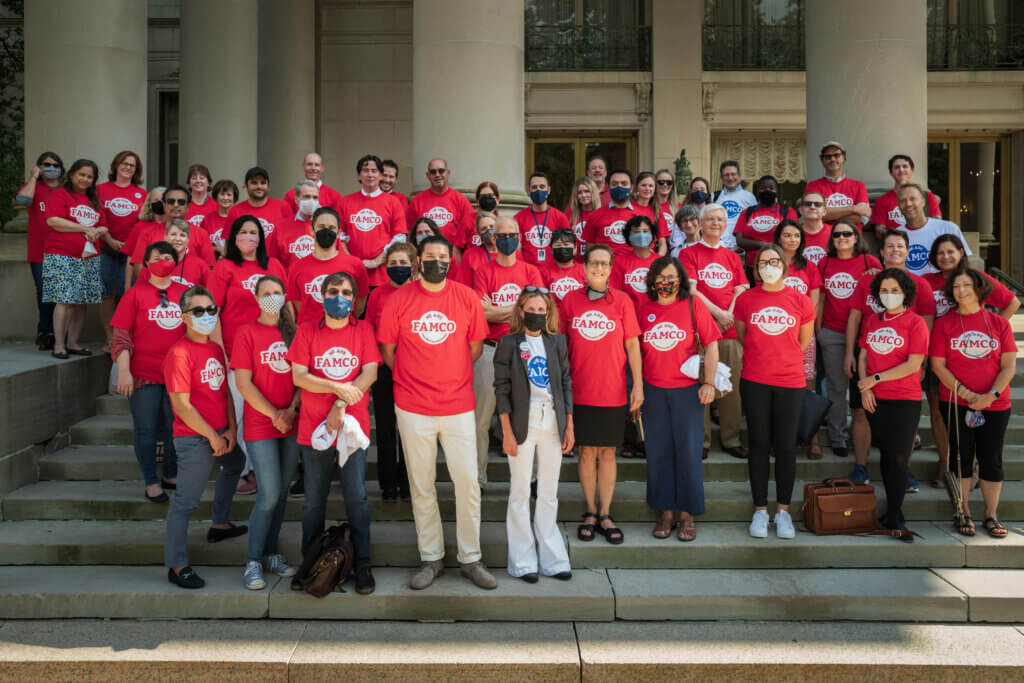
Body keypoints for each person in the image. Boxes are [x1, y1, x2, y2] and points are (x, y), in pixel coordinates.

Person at [378, 234, 495, 590]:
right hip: (412, 405)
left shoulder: (466, 298)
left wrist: (447, 373)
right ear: (418, 261)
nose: (437, 261)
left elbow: (475, 349)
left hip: (458, 404)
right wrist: (416, 377)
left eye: (443, 256)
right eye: (430, 256)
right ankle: (431, 557)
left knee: (467, 483)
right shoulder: (399, 299)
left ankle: (470, 558)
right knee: (421, 485)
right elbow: (388, 350)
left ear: (450, 261)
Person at [288, 271, 379, 594]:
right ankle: (310, 563)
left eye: (344, 291)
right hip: (315, 430)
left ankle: (363, 565)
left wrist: (339, 403)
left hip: (352, 432)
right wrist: (337, 386)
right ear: (321, 295)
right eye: (331, 291)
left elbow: (370, 371)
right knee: (313, 502)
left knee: (357, 498)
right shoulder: (307, 331)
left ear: (353, 299)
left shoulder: (364, 329)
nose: (338, 296)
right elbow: (300, 376)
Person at [163, 285, 247, 589]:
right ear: (184, 316)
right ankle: (176, 564)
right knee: (185, 501)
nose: (206, 316)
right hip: (194, 438)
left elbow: (224, 391)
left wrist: (232, 430)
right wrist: (212, 436)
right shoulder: (179, 353)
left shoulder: (214, 348)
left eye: (211, 310)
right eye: (198, 311)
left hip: (220, 433)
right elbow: (182, 406)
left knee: (236, 464)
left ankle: (220, 524)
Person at [560, 244, 642, 545]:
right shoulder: (570, 301)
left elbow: (633, 345)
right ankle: (591, 512)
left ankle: (606, 513)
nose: (598, 268)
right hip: (579, 390)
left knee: (607, 453)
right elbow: (560, 345)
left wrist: (639, 387)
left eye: (604, 264)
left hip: (613, 390)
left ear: (611, 268)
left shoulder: (621, 301)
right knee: (585, 452)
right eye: (593, 263)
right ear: (584, 267)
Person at [923, 235, 1019, 487]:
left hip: (973, 356)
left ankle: (973, 466)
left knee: (976, 410)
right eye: (940, 252)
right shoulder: (927, 282)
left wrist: (994, 332)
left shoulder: (978, 279)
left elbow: (1012, 302)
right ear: (934, 257)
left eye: (951, 252)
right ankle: (946, 464)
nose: (946, 257)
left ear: (961, 253)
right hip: (940, 357)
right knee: (939, 413)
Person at [734, 244, 816, 539]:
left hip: (790, 383)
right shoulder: (746, 299)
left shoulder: (801, 300)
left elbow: (803, 342)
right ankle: (759, 510)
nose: (769, 265)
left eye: (774, 261)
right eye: (763, 262)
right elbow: (744, 337)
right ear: (756, 268)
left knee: (785, 448)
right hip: (755, 380)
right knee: (758, 444)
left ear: (784, 265)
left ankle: (783, 511)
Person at [844, 229, 936, 486]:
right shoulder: (867, 282)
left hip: (904, 365)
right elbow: (854, 318)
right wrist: (849, 353)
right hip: (868, 360)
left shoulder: (921, 285)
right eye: (890, 246)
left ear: (907, 252)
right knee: (861, 413)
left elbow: (927, 325)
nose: (895, 250)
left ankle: (903, 470)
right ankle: (861, 466)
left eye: (900, 246)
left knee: (906, 421)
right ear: (881, 252)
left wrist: (923, 363)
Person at [494, 289, 573, 583]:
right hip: (521, 421)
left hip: (553, 419)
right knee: (520, 491)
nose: (537, 313)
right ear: (521, 310)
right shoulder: (508, 343)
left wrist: (570, 424)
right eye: (532, 307)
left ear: (548, 312)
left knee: (549, 491)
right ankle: (523, 561)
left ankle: (553, 559)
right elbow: (501, 389)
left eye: (542, 308)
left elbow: (565, 382)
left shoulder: (557, 342)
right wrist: (506, 432)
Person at [930, 269, 1017, 539]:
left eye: (967, 285)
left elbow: (1009, 366)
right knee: (961, 457)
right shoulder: (944, 323)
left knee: (991, 458)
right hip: (956, 401)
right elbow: (938, 365)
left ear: (979, 289)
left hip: (996, 403)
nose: (961, 290)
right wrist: (967, 395)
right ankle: (963, 510)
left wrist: (989, 395)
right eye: (956, 286)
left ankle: (991, 514)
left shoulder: (998, 323)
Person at [638, 256, 719, 540]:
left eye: (671, 277)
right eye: (660, 278)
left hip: (687, 391)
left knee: (687, 451)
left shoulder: (693, 305)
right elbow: (634, 349)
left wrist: (709, 382)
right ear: (652, 280)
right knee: (658, 452)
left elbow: (711, 346)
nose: (666, 283)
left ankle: (687, 514)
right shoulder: (643, 307)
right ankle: (665, 512)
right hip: (653, 390)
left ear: (681, 280)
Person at [231, 275, 301, 589]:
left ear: (285, 296)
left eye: (276, 292)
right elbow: (244, 383)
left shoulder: (293, 332)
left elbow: (303, 378)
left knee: (282, 491)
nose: (272, 297)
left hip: (291, 423)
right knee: (269, 493)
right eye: (266, 293)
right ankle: (253, 561)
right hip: (262, 424)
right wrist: (274, 414)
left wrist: (291, 410)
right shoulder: (246, 332)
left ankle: (271, 552)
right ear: (257, 298)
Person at [209, 214, 288, 475]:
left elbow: (285, 307)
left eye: (253, 232)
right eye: (243, 232)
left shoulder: (274, 265)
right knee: (240, 414)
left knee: (265, 410)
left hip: (271, 353)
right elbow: (213, 313)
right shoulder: (224, 267)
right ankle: (241, 471)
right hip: (235, 353)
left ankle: (261, 469)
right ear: (233, 236)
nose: (248, 237)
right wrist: (220, 352)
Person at [856, 268, 929, 540]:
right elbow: (862, 355)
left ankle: (896, 514)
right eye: (884, 291)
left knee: (899, 458)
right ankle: (891, 513)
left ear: (906, 293)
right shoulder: (873, 320)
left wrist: (875, 379)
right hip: (875, 399)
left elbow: (913, 364)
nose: (889, 295)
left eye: (895, 290)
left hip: (903, 400)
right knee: (887, 455)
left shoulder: (915, 323)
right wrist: (865, 388)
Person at [112, 241, 187, 501]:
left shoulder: (186, 293)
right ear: (146, 263)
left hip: (178, 375)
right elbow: (121, 337)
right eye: (157, 256)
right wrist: (124, 371)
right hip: (144, 374)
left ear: (176, 261)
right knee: (145, 429)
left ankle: (170, 472)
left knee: (175, 427)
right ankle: (151, 482)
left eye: (168, 256)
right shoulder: (134, 294)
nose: (163, 260)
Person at [473, 216, 544, 487]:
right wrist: (518, 309)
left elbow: (536, 312)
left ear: (520, 238)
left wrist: (499, 311)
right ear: (493, 239)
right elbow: (481, 312)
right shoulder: (483, 271)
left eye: (511, 234)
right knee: (481, 419)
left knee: (526, 417)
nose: (506, 240)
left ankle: (530, 479)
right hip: (490, 351)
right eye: (500, 235)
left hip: (524, 351)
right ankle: (479, 477)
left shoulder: (530, 271)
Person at [680, 204, 748, 459]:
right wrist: (718, 315)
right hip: (700, 330)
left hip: (729, 331)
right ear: (700, 223)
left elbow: (741, 289)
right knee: (701, 385)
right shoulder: (689, 254)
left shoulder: (731, 256)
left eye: (720, 219)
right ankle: (702, 439)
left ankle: (731, 439)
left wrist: (728, 313)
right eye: (710, 219)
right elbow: (692, 291)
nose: (716, 223)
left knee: (731, 388)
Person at [817, 220, 883, 458]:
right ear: (831, 239)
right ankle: (838, 437)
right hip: (833, 332)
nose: (842, 238)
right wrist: (819, 331)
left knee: (868, 386)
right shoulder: (824, 262)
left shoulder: (870, 262)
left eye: (847, 233)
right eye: (837, 235)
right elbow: (821, 300)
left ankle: (868, 435)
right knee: (836, 388)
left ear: (856, 237)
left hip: (866, 335)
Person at [365, 242, 418, 501]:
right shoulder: (377, 295)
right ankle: (387, 484)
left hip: (415, 370)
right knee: (386, 427)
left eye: (403, 263)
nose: (398, 268)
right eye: (393, 264)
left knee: (410, 429)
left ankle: (408, 482)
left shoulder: (420, 293)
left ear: (413, 265)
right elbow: (369, 331)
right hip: (384, 369)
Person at [43, 158, 107, 359]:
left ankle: (73, 343)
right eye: (82, 174)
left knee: (81, 302)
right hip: (62, 255)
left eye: (90, 176)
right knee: (65, 300)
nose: (85, 179)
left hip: (89, 257)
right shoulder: (59, 193)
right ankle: (59, 346)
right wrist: (85, 228)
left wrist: (97, 231)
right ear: (71, 175)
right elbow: (53, 220)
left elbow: (104, 225)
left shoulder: (94, 200)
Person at [773, 219, 824, 459]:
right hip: (774, 332)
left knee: (806, 384)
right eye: (787, 235)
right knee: (777, 386)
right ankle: (783, 437)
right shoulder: (771, 264)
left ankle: (812, 437)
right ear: (778, 238)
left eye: (796, 235)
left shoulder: (809, 267)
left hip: (803, 332)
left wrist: (804, 327)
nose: (792, 239)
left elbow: (814, 302)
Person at [287, 206, 369, 325]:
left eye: (331, 228)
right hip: (309, 335)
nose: (326, 231)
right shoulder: (296, 267)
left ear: (339, 232)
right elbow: (298, 304)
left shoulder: (355, 265)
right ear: (312, 230)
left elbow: (360, 304)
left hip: (344, 332)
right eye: (321, 227)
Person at [97, 151, 146, 350]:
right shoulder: (101, 189)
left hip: (131, 253)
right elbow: (98, 217)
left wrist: (129, 245)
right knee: (106, 294)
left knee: (129, 295)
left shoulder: (140, 194)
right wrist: (109, 239)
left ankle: (124, 337)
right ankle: (110, 338)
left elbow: (142, 223)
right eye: (124, 163)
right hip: (106, 249)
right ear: (116, 165)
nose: (127, 167)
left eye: (132, 165)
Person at [16, 151, 64, 350]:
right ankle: (44, 332)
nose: (50, 168)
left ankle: (57, 333)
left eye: (54, 164)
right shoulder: (34, 187)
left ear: (61, 168)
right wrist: (34, 177)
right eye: (45, 164)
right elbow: (23, 201)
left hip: (63, 249)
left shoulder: (65, 190)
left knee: (60, 294)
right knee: (44, 292)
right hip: (39, 250)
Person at [337, 154, 407, 288]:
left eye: (374, 171)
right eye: (365, 170)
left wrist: (377, 261)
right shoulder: (344, 202)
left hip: (382, 275)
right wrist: (352, 261)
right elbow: (339, 235)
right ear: (358, 176)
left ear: (380, 175)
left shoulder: (393, 203)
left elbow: (399, 237)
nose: (370, 175)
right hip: (351, 275)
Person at [129, 185, 215, 275]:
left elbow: (208, 270)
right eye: (171, 201)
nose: (176, 205)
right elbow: (139, 268)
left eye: (181, 202)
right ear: (164, 204)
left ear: (188, 206)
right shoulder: (147, 233)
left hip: (190, 288)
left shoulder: (201, 234)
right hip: (155, 286)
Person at [896, 183, 971, 277]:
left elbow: (965, 262)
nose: (908, 204)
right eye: (903, 201)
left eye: (912, 199)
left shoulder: (948, 228)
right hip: (909, 289)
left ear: (923, 202)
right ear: (898, 206)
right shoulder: (896, 235)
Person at [406, 158, 475, 259]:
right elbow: (409, 232)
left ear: (448, 173)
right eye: (433, 172)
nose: (437, 175)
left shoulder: (461, 200)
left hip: (452, 259)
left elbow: (470, 232)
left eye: (441, 171)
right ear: (428, 176)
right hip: (423, 258)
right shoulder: (417, 201)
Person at [733, 175, 799, 272]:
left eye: (771, 188)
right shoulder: (747, 213)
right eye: (763, 188)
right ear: (757, 191)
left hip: (779, 266)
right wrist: (763, 244)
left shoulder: (787, 211)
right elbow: (740, 240)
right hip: (753, 267)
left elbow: (792, 238)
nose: (767, 190)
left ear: (777, 191)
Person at [869, 154, 942, 239]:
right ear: (891, 172)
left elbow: (937, 222)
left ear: (912, 170)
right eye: (897, 167)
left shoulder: (927, 196)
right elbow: (879, 230)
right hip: (897, 247)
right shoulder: (882, 201)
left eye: (905, 166)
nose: (901, 170)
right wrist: (898, 239)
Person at [804, 142, 871, 227]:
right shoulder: (813, 186)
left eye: (836, 155)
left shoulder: (859, 185)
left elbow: (862, 217)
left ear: (844, 157)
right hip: (823, 237)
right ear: (822, 161)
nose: (832, 159)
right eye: (828, 157)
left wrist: (827, 215)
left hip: (851, 237)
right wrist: (853, 208)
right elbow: (814, 214)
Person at [227, 167, 292, 250]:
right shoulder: (235, 211)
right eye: (254, 183)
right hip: (245, 261)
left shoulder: (283, 207)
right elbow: (230, 242)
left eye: (263, 183)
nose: (259, 186)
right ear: (246, 186)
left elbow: (291, 237)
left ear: (268, 186)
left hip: (276, 262)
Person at [515, 172, 571, 266]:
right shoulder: (518, 218)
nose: (538, 190)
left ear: (548, 190)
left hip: (553, 270)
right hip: (529, 271)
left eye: (542, 187)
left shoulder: (560, 217)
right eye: (534, 187)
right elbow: (517, 249)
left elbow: (567, 246)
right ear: (529, 191)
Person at [584, 169, 641, 259]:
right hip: (604, 268)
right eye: (614, 184)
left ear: (632, 188)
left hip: (632, 268)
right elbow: (589, 250)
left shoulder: (642, 215)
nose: (619, 187)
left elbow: (648, 249)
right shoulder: (595, 216)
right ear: (609, 187)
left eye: (624, 183)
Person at [136, 219, 208, 289]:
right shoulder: (152, 264)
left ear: (188, 240)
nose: (177, 239)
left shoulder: (200, 266)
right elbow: (138, 295)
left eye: (182, 235)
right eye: (173, 234)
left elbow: (211, 295)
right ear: (165, 237)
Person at [611, 214, 659, 318]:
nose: (641, 235)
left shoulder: (661, 262)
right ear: (628, 235)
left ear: (653, 235)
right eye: (636, 232)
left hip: (656, 317)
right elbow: (616, 294)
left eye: (645, 231)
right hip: (628, 317)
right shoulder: (618, 262)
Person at [271, 180, 321, 271]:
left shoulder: (326, 225)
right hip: (289, 282)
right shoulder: (280, 227)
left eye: (315, 197)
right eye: (307, 197)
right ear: (296, 199)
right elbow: (272, 260)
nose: (311, 201)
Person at [711, 161, 756, 249]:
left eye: (733, 174)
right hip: (720, 249)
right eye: (726, 175)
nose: (730, 178)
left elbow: (754, 224)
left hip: (743, 250)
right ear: (721, 178)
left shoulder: (749, 197)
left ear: (739, 176)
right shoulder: (714, 197)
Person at [541, 228, 586, 312]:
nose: (562, 248)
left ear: (575, 248)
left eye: (566, 244)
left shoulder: (585, 270)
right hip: (553, 318)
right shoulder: (543, 272)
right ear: (551, 250)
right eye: (558, 245)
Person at [455, 212, 498, 287]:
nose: (489, 231)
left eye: (492, 226)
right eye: (484, 229)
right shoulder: (470, 255)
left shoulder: (512, 253)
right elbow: (463, 287)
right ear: (479, 234)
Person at [630, 171, 667, 255]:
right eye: (643, 185)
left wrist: (657, 259)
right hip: (629, 255)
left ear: (655, 189)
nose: (647, 188)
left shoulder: (657, 210)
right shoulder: (628, 206)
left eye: (651, 186)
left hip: (648, 256)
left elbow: (663, 243)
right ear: (637, 187)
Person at [201, 179, 239, 258]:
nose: (225, 198)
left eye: (229, 195)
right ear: (216, 196)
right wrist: (217, 249)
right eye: (222, 194)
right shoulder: (207, 219)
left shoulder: (239, 218)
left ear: (234, 198)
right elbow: (201, 246)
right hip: (212, 264)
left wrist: (228, 251)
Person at [565, 176, 600, 261]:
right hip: (574, 262)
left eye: (587, 191)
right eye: (579, 193)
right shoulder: (569, 214)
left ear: (593, 192)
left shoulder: (602, 213)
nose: (583, 195)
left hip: (595, 261)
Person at [798, 190, 831, 267]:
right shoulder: (792, 233)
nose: (812, 207)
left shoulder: (835, 232)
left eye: (818, 204)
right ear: (800, 210)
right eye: (808, 204)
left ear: (824, 211)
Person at [654, 169, 680, 239]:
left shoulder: (679, 206)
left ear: (673, 185)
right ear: (655, 184)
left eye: (669, 182)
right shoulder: (649, 205)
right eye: (661, 182)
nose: (665, 185)